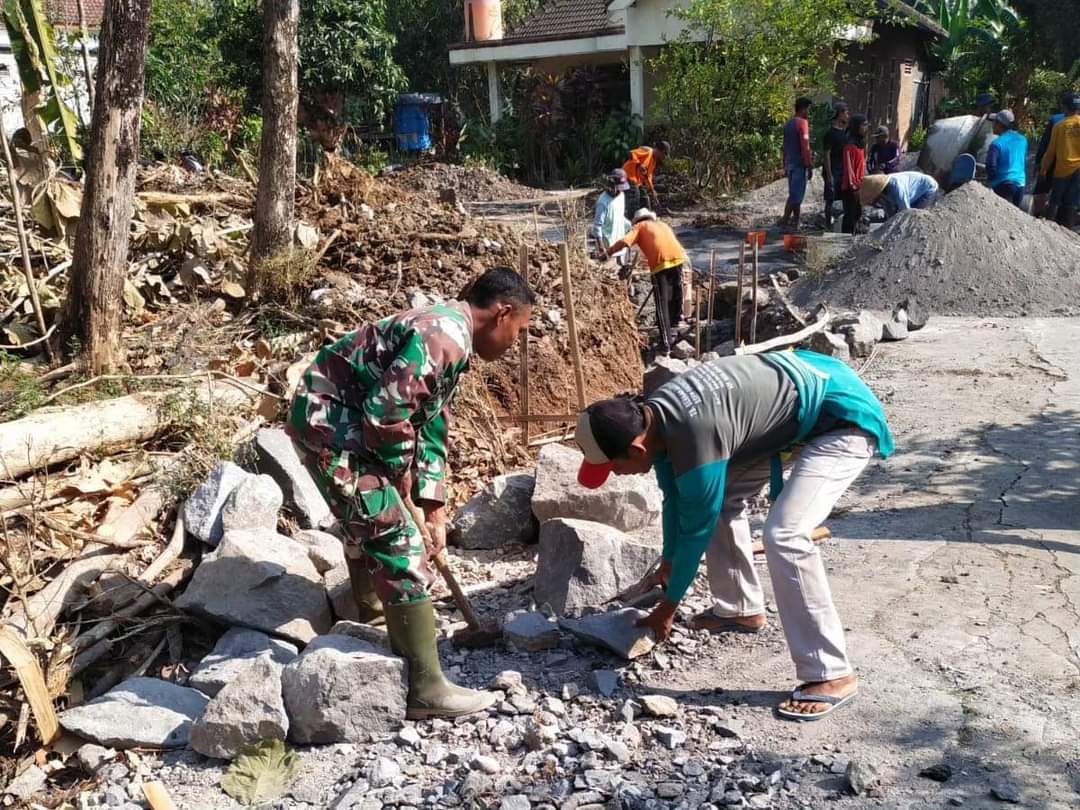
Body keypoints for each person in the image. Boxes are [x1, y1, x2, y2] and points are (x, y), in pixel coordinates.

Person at [574, 351, 894, 719]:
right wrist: (668, 559)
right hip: (803, 396)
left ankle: (831, 673)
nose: (614, 475)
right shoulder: (656, 416)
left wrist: (669, 607)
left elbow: (697, 527)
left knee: (785, 535)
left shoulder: (695, 435)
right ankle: (740, 608)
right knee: (721, 499)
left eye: (613, 467)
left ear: (635, 448)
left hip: (842, 416)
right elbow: (675, 498)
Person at [286, 268, 534, 719]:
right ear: (502, 313)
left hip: (342, 425)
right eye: (519, 331)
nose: (515, 342)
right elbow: (386, 414)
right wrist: (398, 476)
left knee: (375, 521)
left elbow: (431, 424)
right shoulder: (444, 336)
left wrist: (433, 506)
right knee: (395, 538)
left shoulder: (451, 337)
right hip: (334, 426)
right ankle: (425, 688)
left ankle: (380, 625)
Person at [606, 209, 687, 355]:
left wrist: (608, 252)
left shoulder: (640, 227)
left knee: (661, 305)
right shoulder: (662, 224)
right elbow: (662, 243)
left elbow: (625, 241)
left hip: (661, 264)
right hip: (678, 258)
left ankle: (666, 344)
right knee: (674, 296)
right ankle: (676, 326)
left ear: (637, 221)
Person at [1039, 93, 1080, 227]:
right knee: (1071, 202)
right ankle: (1066, 230)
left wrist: (1043, 170)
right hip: (1078, 170)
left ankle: (1050, 229)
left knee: (1055, 200)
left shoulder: (1059, 126)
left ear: (1064, 107)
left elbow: (1050, 152)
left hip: (1062, 170)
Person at [781, 97, 814, 230]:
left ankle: (794, 221)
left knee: (794, 193)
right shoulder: (802, 123)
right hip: (800, 165)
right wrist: (809, 164)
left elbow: (785, 146)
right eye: (808, 109)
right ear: (803, 108)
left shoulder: (788, 124)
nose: (809, 112)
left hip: (790, 164)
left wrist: (785, 163)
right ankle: (787, 220)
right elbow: (805, 146)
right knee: (796, 195)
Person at [985, 109, 1027, 208]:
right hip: (1020, 185)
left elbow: (991, 165)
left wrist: (991, 180)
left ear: (999, 124)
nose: (993, 125)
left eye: (994, 122)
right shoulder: (1023, 140)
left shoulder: (996, 144)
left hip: (1003, 184)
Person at [859, 171, 939, 217]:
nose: (874, 203)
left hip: (928, 188)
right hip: (913, 192)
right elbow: (889, 211)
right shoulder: (883, 193)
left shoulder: (897, 187)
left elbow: (905, 211)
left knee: (916, 216)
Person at [592, 169, 631, 263]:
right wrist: (602, 248)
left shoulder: (621, 196)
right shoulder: (603, 202)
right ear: (611, 185)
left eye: (622, 189)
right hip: (608, 248)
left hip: (620, 243)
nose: (619, 191)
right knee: (609, 274)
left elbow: (620, 216)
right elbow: (597, 226)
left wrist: (629, 227)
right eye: (618, 188)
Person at [822, 103, 849, 229]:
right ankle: (828, 225)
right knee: (830, 199)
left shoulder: (845, 133)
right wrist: (829, 175)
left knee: (844, 199)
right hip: (832, 171)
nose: (847, 115)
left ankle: (840, 225)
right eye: (846, 113)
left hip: (842, 171)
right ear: (839, 114)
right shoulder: (830, 134)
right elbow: (826, 155)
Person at [841, 114, 869, 234]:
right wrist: (853, 185)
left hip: (859, 185)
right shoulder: (850, 145)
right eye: (863, 125)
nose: (865, 128)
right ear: (856, 127)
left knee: (858, 215)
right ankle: (844, 242)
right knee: (850, 216)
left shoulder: (861, 144)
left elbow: (862, 164)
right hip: (850, 188)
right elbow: (849, 168)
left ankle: (853, 242)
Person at [623, 141, 670, 212]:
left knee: (645, 198)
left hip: (637, 181)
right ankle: (632, 218)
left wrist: (652, 190)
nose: (664, 157)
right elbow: (632, 153)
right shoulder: (647, 151)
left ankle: (646, 217)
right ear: (661, 151)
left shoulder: (654, 161)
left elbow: (648, 177)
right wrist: (639, 165)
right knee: (635, 197)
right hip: (628, 176)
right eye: (665, 154)